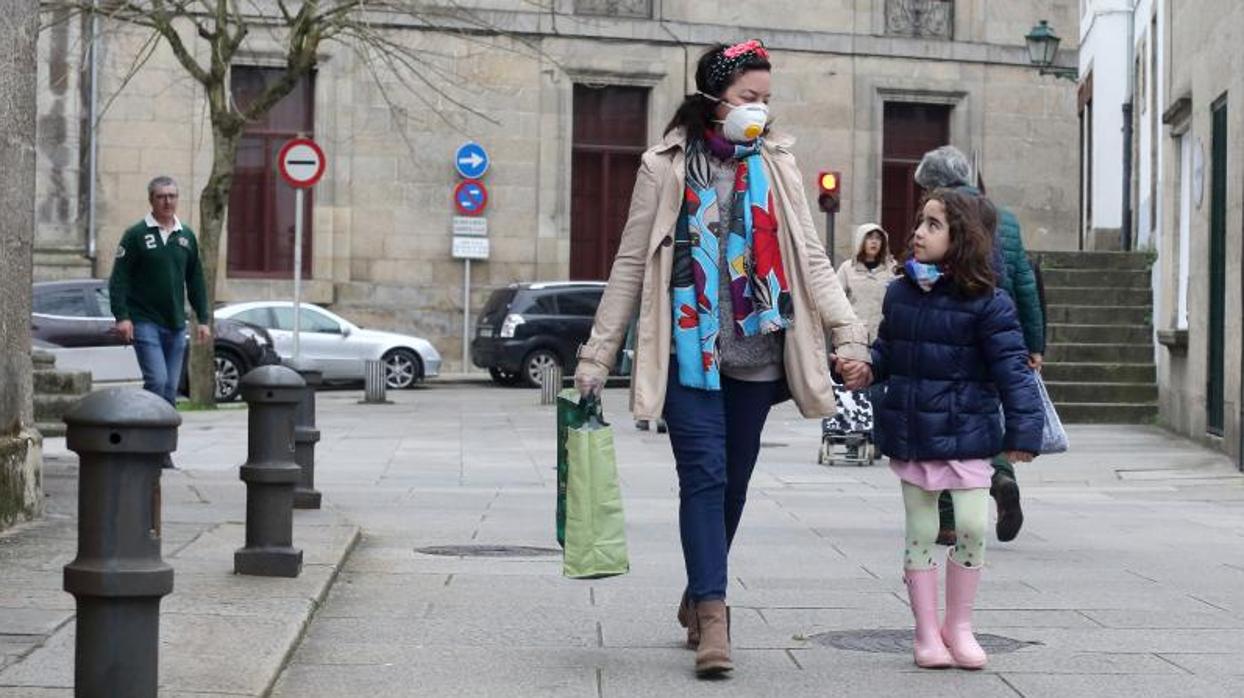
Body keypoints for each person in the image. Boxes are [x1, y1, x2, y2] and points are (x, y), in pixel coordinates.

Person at [572, 40, 871, 678]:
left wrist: (848, 335)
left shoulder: (779, 163)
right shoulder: (665, 165)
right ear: (714, 98)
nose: (759, 111)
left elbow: (812, 258)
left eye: (766, 99)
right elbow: (630, 261)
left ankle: (696, 589)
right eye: (747, 99)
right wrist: (596, 354)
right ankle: (714, 614)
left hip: (758, 355)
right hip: (689, 352)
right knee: (704, 478)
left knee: (732, 486)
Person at [869, 189, 1043, 670]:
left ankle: (959, 626)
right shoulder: (901, 291)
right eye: (920, 222)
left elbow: (1013, 369)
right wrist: (868, 368)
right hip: (914, 430)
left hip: (969, 432)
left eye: (933, 225)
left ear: (962, 238)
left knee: (969, 525)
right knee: (922, 529)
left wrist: (1024, 432)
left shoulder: (990, 303)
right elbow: (888, 351)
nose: (918, 233)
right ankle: (927, 633)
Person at [914, 145, 1044, 543]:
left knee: (944, 421)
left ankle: (949, 521)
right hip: (998, 327)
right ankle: (1001, 475)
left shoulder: (941, 216)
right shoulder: (1003, 217)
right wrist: (1034, 343)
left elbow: (924, 274)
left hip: (949, 325)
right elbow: (1024, 281)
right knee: (987, 415)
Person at [110, 176, 212, 412]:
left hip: (176, 324)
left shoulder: (186, 236)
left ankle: (163, 442)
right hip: (145, 321)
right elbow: (119, 279)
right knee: (157, 380)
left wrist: (203, 319)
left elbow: (195, 279)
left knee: (170, 388)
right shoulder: (135, 235)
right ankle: (146, 429)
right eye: (161, 197)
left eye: (172, 196)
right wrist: (122, 317)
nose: (167, 202)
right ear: (151, 200)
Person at [837, 223, 899, 343]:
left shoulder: (892, 269)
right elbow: (836, 300)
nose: (874, 242)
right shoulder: (847, 268)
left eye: (878, 238)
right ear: (861, 240)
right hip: (854, 337)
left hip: (883, 337)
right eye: (870, 237)